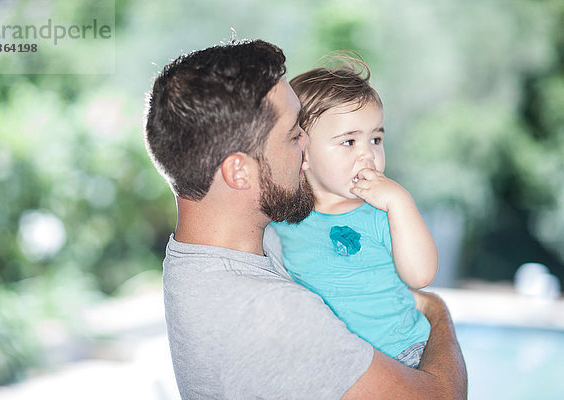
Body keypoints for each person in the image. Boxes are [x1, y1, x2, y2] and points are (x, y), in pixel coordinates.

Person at [144, 38, 467, 399]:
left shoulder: (207, 253)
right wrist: (436, 311)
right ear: (239, 172)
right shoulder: (274, 316)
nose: (305, 145)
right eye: (293, 134)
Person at [269, 58, 437, 369]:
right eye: (349, 141)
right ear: (302, 151)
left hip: (401, 354)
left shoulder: (381, 210)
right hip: (334, 365)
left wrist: (400, 202)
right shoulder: (283, 219)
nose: (368, 153)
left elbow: (422, 275)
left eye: (376, 139)